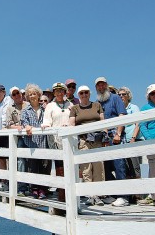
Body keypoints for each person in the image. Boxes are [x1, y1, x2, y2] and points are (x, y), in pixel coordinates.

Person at [95, 77, 128, 207]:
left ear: (107, 85)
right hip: (103, 137)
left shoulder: (115, 98)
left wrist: (118, 134)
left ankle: (123, 196)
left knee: (119, 166)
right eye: (98, 85)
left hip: (115, 134)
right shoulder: (97, 102)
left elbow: (122, 115)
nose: (101, 87)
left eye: (103, 85)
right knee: (105, 167)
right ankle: (112, 194)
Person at [70, 85, 105, 206]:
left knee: (98, 167)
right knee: (86, 168)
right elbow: (72, 124)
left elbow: (102, 121)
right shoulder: (75, 108)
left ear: (89, 94)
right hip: (84, 140)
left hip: (97, 139)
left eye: (86, 93)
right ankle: (91, 195)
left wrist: (105, 133)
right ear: (78, 95)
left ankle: (98, 195)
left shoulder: (97, 105)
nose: (84, 95)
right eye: (81, 93)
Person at [42, 82, 72, 210]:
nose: (59, 93)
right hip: (56, 140)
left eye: (61, 91)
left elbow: (74, 118)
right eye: (57, 91)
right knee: (60, 167)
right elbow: (47, 120)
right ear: (54, 93)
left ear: (65, 92)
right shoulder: (50, 106)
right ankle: (62, 195)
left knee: (70, 167)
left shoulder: (70, 104)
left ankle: (70, 194)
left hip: (69, 139)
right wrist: (47, 125)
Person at [20, 83, 48, 199]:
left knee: (43, 167)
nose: (32, 96)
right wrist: (27, 126)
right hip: (31, 142)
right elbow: (24, 122)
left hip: (43, 141)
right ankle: (34, 189)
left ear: (38, 95)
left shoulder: (44, 109)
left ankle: (42, 189)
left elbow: (48, 120)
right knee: (33, 166)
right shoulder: (26, 110)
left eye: (34, 93)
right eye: (30, 94)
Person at [5, 86, 29, 195]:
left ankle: (35, 187)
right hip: (19, 138)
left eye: (17, 93)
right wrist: (18, 127)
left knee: (34, 160)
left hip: (31, 136)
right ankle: (22, 187)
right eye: (14, 94)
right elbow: (8, 124)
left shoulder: (28, 105)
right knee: (21, 161)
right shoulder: (10, 108)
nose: (17, 96)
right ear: (11, 97)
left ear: (21, 93)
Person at [118, 87, 144, 180]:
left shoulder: (133, 107)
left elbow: (138, 123)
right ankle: (131, 193)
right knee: (127, 168)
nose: (121, 96)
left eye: (123, 94)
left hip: (133, 140)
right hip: (124, 141)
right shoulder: (119, 109)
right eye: (119, 94)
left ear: (128, 96)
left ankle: (138, 193)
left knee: (135, 167)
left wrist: (133, 138)